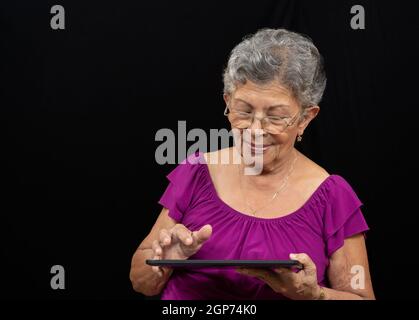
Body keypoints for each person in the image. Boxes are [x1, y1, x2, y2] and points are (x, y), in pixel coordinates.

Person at [129, 28, 375, 300]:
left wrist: (314, 295)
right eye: (244, 111)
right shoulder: (196, 171)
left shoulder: (332, 196)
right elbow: (140, 281)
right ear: (228, 103)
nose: (255, 130)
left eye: (276, 117)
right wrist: (164, 261)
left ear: (305, 118)